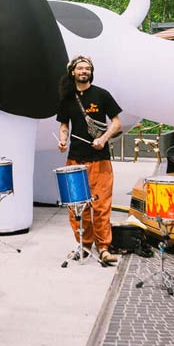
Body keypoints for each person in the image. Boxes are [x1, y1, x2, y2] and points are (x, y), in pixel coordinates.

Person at [55, 55, 122, 267]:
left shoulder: (102, 95)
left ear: (91, 72)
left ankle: (103, 248)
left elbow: (117, 123)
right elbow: (64, 125)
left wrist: (103, 139)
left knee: (101, 205)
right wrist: (63, 139)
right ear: (73, 72)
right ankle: (84, 245)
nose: (84, 71)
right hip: (75, 159)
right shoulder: (67, 98)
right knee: (77, 206)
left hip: (100, 159)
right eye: (80, 68)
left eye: (87, 68)